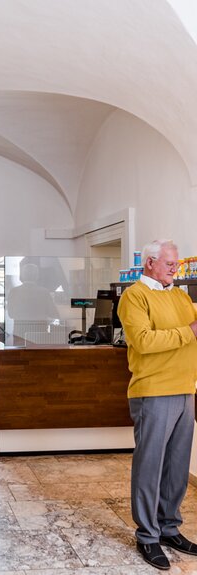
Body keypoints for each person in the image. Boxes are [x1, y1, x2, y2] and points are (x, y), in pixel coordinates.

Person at [118, 239, 197, 570]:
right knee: (150, 465)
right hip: (153, 390)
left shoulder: (180, 295)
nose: (174, 270)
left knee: (177, 465)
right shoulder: (134, 296)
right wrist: (188, 331)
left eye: (177, 265)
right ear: (149, 262)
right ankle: (147, 536)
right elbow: (144, 341)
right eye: (168, 264)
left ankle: (168, 527)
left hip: (185, 389)